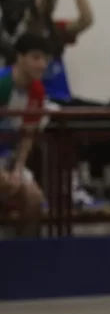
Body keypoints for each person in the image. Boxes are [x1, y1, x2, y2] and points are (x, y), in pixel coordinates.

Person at [0, 32, 49, 237]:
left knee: (34, 198)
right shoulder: (2, 84)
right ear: (20, 57)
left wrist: (18, 169)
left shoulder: (38, 91)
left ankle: (25, 250)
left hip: (9, 158)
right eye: (35, 58)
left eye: (45, 59)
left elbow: (28, 136)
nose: (42, 65)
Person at [29, 0, 94, 103]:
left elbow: (86, 19)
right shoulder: (25, 29)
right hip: (35, 97)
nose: (44, 1)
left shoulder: (57, 29)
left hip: (60, 95)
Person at [0, 0, 28, 67]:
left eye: (22, 4)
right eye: (13, 3)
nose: (17, 8)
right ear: (2, 4)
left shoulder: (30, 34)